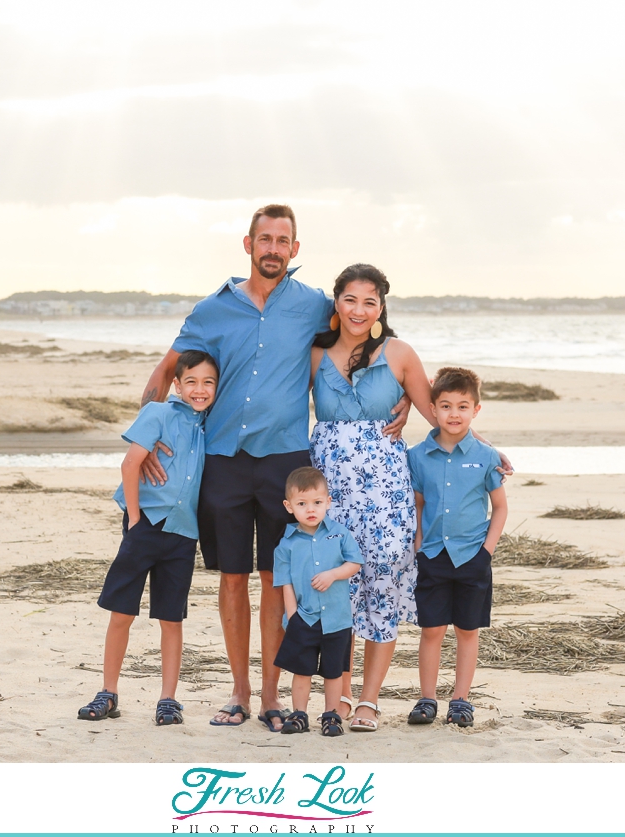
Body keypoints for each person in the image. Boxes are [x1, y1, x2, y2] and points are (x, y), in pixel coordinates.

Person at [138, 205, 410, 730]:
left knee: (275, 579)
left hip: (286, 464)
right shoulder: (212, 309)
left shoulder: (314, 307)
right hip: (222, 461)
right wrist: (145, 440)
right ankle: (239, 692)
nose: (272, 249)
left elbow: (364, 332)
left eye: (282, 241)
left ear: (295, 249)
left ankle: (270, 697)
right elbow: (167, 370)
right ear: (248, 244)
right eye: (264, 239)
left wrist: (399, 399)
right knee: (233, 580)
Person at [308, 264, 511, 731]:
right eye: (351, 300)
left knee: (380, 588)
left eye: (370, 301)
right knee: (338, 590)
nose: (360, 310)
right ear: (336, 302)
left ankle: (369, 701)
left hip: (386, 492)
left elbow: (439, 414)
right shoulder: (316, 353)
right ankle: (336, 697)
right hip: (331, 488)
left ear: (382, 306)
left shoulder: (399, 353)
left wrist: (485, 449)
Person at [77, 350, 218, 726]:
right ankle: (108, 691)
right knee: (122, 611)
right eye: (191, 381)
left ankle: (168, 699)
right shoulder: (158, 413)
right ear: (177, 384)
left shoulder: (211, 426)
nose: (200, 389)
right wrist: (136, 520)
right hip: (146, 526)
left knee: (171, 619)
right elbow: (129, 464)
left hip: (183, 535)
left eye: (208, 383)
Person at [406, 367, 507, 728]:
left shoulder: (486, 456)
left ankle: (461, 700)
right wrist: (419, 544)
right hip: (432, 555)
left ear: (475, 411)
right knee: (431, 630)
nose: (454, 414)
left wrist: (487, 552)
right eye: (446, 405)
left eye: (463, 407)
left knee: (467, 630)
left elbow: (500, 507)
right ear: (432, 408)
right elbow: (417, 504)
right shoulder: (417, 456)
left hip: (472, 557)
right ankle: (427, 698)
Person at [272, 467, 363, 737]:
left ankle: (331, 715)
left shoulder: (340, 534)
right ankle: (299, 714)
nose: (310, 509)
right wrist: (293, 616)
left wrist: (333, 574)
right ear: (289, 507)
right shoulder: (286, 544)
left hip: (337, 617)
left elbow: (355, 563)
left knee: (334, 672)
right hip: (305, 617)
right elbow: (284, 582)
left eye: (317, 503)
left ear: (328, 502)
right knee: (302, 670)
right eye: (302, 504)